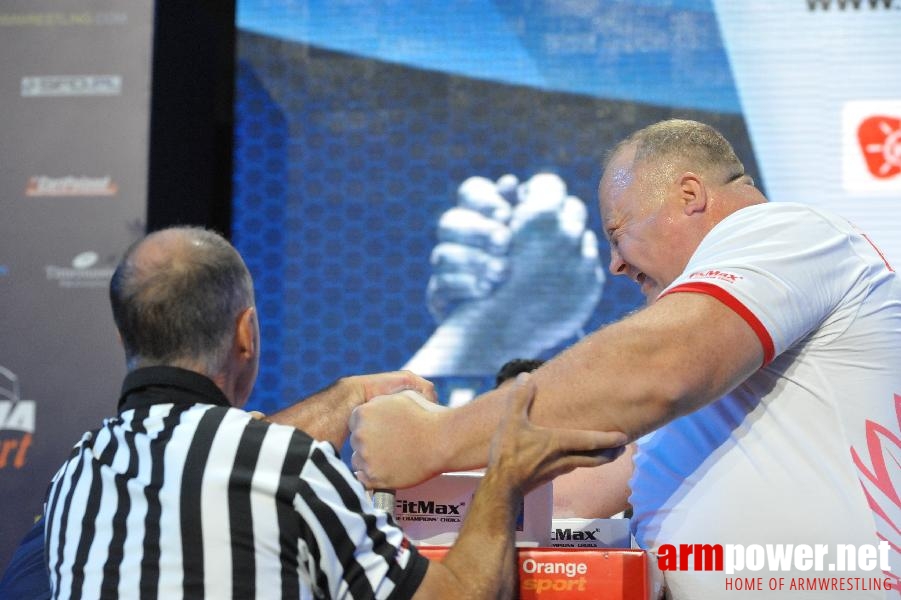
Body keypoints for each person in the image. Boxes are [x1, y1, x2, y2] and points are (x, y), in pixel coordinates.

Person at [349, 119, 901, 597]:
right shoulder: (727, 359)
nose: (616, 264)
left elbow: (662, 365)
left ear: (690, 195)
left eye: (618, 233)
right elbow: (567, 501)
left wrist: (434, 438)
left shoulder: (791, 234)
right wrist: (393, 502)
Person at [38, 226, 621, 599]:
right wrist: (504, 477)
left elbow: (201, 461)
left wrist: (345, 396)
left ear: (125, 339)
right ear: (247, 334)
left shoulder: (75, 476)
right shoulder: (284, 467)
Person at [494, 358, 633, 519]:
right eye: (507, 405)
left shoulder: (605, 467)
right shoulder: (472, 470)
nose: (518, 416)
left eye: (531, 405)